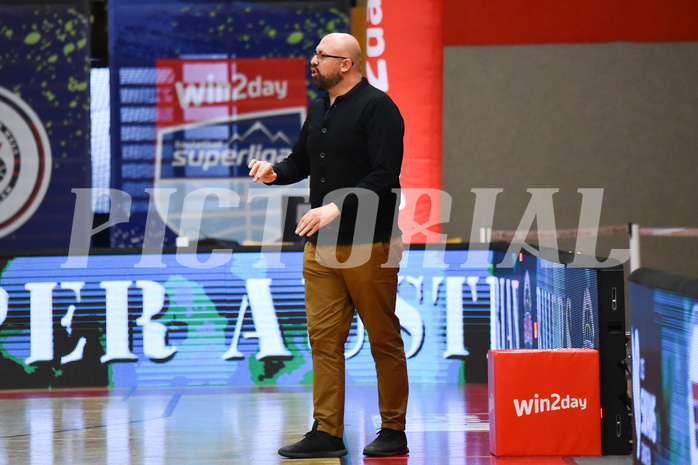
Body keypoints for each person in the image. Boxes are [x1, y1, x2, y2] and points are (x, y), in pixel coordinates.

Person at [248, 32, 409, 458]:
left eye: (323, 55)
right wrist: (273, 173)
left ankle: (393, 429)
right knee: (323, 339)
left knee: (383, 338)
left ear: (347, 64)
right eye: (315, 53)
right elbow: (299, 163)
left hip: (371, 243)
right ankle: (327, 431)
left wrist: (335, 207)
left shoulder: (378, 108)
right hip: (320, 245)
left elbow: (384, 174)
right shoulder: (319, 108)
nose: (313, 60)